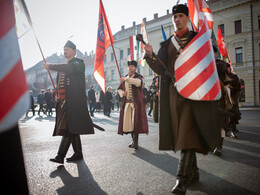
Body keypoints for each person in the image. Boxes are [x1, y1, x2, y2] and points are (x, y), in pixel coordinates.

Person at [144, 4, 220, 194]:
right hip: (174, 96)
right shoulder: (167, 43)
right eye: (175, 16)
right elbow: (160, 68)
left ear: (187, 18)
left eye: (180, 16)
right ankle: (193, 172)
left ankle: (181, 179)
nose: (177, 19)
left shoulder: (198, 39)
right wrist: (149, 55)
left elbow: (207, 63)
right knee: (187, 135)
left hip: (195, 96)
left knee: (186, 133)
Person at [44, 40, 94, 164]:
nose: (65, 51)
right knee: (73, 127)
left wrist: (50, 66)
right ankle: (78, 153)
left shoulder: (78, 63)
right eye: (64, 49)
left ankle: (60, 156)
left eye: (67, 49)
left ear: (74, 51)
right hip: (64, 101)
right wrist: (56, 94)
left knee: (68, 127)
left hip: (75, 102)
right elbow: (59, 85)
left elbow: (69, 68)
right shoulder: (63, 67)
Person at [117, 60, 149, 150]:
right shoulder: (125, 78)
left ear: (135, 68)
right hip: (127, 103)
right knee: (129, 124)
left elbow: (138, 83)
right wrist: (122, 93)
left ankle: (136, 142)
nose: (130, 67)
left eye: (132, 66)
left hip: (136, 104)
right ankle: (133, 140)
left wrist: (126, 79)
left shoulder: (139, 77)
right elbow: (118, 89)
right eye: (129, 66)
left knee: (136, 123)